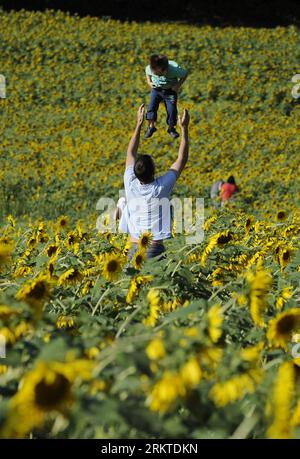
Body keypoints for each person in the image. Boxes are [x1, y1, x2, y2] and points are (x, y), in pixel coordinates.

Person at [119, 103, 190, 259]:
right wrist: (184, 129)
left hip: (133, 248)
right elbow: (182, 159)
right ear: (154, 171)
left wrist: (139, 124)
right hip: (154, 249)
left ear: (135, 173)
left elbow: (130, 153)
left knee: (133, 282)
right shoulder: (161, 187)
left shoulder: (129, 182)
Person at [144, 54, 188, 140]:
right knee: (151, 107)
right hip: (156, 90)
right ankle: (151, 127)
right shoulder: (149, 69)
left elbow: (185, 74)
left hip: (170, 91)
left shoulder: (174, 70)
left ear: (165, 69)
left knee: (172, 110)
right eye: (156, 73)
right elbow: (147, 74)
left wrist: (178, 86)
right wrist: (149, 82)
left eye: (160, 73)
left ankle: (171, 128)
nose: (158, 74)